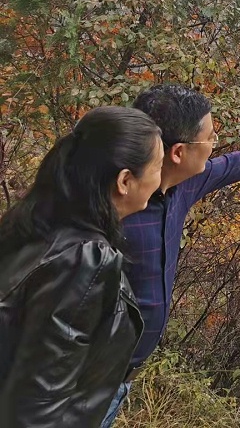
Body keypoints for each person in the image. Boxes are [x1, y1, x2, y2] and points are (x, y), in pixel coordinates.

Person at [101, 84, 240, 426]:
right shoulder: (111, 206)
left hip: (120, 378)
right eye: (210, 139)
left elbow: (233, 165)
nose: (214, 146)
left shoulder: (180, 184)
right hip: (82, 380)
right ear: (177, 152)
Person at [0, 106, 164, 428]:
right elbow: (36, 406)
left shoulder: (39, 223)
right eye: (157, 168)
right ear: (125, 181)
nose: (160, 182)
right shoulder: (85, 261)